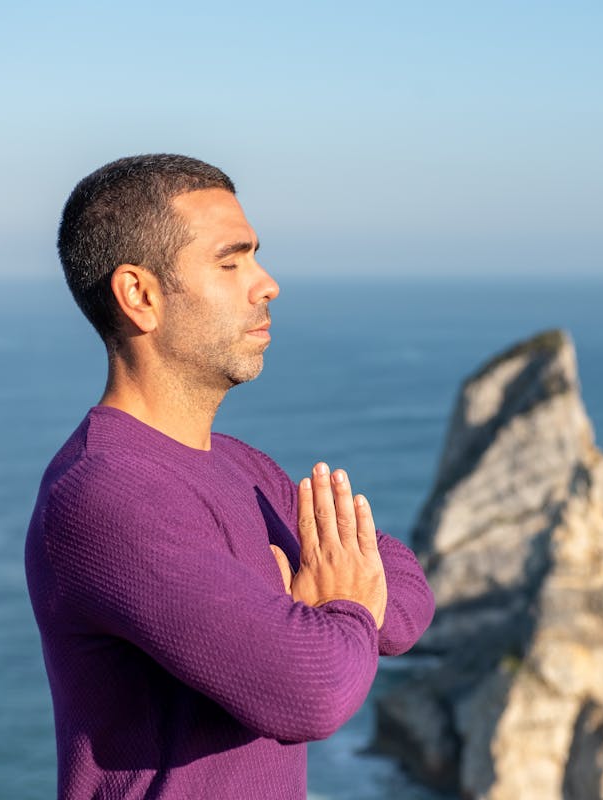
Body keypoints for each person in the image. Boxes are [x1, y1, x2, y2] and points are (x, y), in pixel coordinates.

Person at [25, 154, 435, 800]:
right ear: (140, 296)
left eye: (255, 256)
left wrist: (315, 609)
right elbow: (314, 694)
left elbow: (409, 602)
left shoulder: (242, 466)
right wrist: (340, 606)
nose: (267, 283)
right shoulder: (105, 496)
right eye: (231, 261)